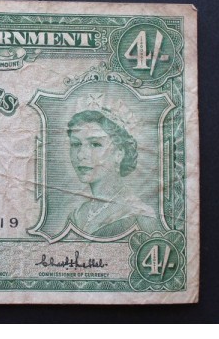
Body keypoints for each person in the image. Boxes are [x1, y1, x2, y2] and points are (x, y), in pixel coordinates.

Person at [66, 96, 160, 238]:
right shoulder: (77, 215)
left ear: (119, 153)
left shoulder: (138, 216)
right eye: (76, 144)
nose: (81, 155)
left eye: (95, 144)